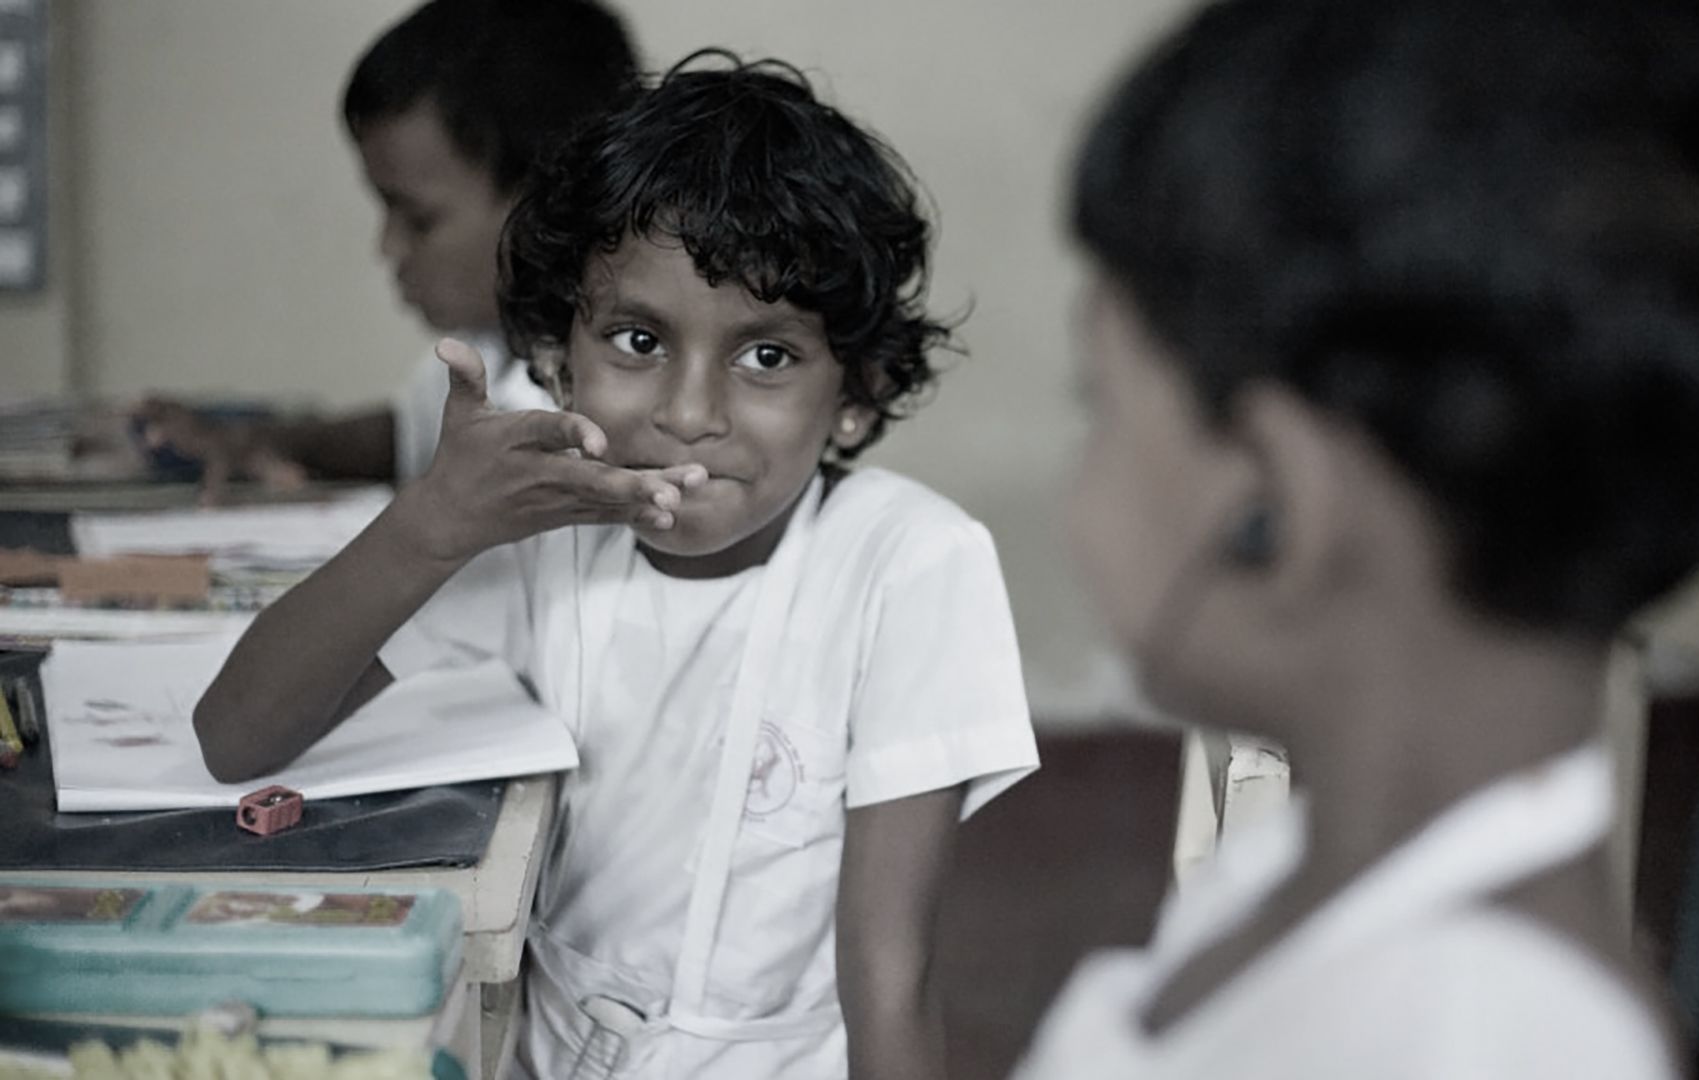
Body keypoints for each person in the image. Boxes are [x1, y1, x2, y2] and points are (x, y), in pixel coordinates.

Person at [1015, 0, 1699, 1077]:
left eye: (1097, 401)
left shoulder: (1492, 1038)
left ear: (1278, 512)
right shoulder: (1297, 868)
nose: (1074, 489)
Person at [192, 52, 1039, 1080]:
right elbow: (238, 735)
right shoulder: (545, 536)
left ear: (854, 394)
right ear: (556, 358)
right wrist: (431, 525)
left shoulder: (908, 564)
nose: (687, 415)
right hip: (540, 1053)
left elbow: (890, 969)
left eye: (766, 356)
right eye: (638, 339)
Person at [138, 0, 638, 494]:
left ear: (547, 200)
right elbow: (405, 433)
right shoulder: (494, 345)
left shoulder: (606, 401)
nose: (388, 248)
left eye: (419, 219)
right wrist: (254, 441)